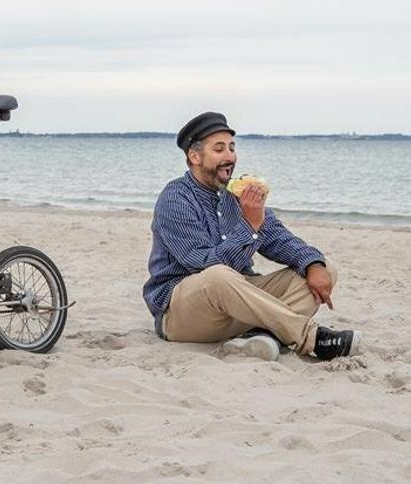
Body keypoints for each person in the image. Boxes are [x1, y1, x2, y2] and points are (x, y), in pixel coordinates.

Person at [142, 111, 361, 361]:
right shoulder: (176, 199)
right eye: (219, 149)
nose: (230, 157)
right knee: (217, 274)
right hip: (183, 313)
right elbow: (201, 265)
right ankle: (309, 338)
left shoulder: (237, 195)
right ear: (195, 156)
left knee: (324, 269)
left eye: (232, 148)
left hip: (241, 304)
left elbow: (280, 239)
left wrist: (313, 263)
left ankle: (260, 337)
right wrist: (250, 224)